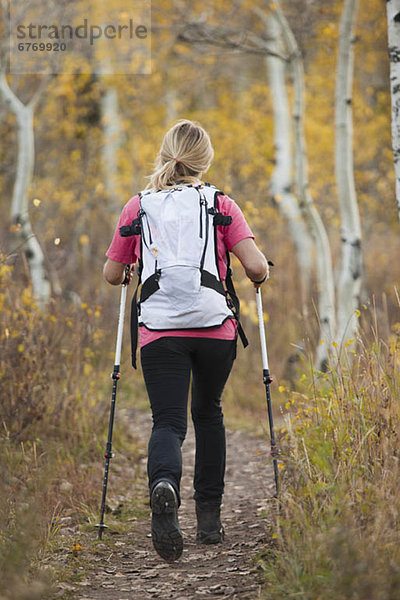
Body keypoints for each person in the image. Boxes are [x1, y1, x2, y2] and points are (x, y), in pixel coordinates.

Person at [103, 119, 269, 562]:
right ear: (204, 160)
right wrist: (263, 271)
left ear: (165, 155)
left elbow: (112, 274)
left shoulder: (137, 207)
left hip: (159, 330)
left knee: (169, 422)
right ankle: (210, 524)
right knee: (208, 412)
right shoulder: (221, 203)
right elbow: (254, 268)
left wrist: (133, 269)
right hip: (215, 328)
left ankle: (164, 485)